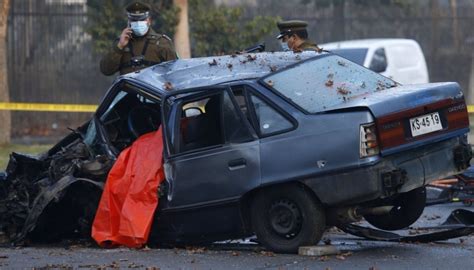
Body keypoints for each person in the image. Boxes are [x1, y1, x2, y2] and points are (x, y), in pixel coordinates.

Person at [100, 1, 178, 76]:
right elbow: (106, 70)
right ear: (129, 22)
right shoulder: (120, 43)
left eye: (141, 19)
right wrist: (120, 46)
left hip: (153, 88)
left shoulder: (162, 42)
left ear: (149, 21)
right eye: (134, 20)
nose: (138, 23)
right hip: (128, 89)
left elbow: (176, 72)